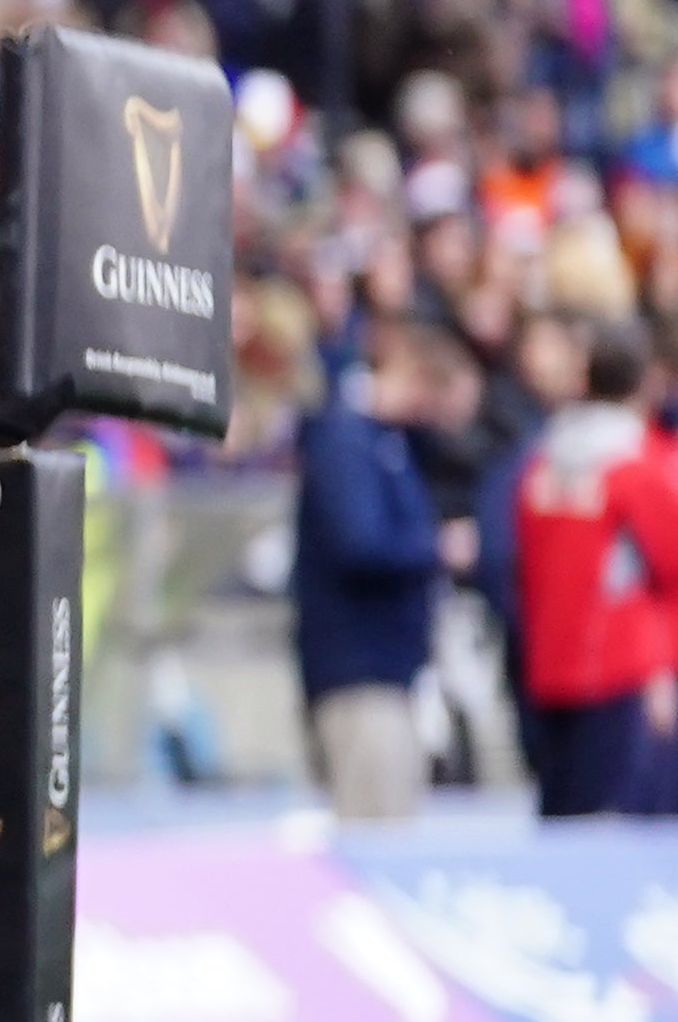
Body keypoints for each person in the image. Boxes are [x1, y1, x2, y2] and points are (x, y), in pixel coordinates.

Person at [291, 314, 474, 825]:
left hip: (389, 670)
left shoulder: (386, 442)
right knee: (375, 828)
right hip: (359, 673)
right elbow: (360, 544)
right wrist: (438, 548)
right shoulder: (346, 440)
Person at [499, 322, 678, 818]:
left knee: (564, 817)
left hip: (550, 662)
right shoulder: (638, 462)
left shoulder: (541, 458)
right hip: (620, 666)